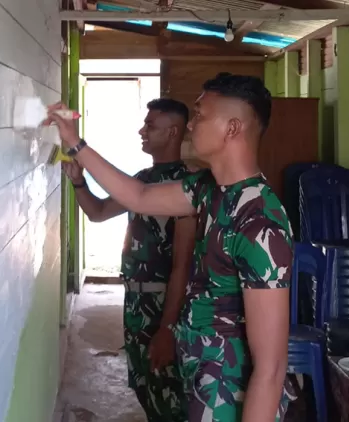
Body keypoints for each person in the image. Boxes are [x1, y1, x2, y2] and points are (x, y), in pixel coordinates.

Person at [46, 73, 295, 422]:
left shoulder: (259, 222)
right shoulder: (209, 189)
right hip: (197, 376)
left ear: (232, 128)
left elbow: (271, 368)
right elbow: (139, 196)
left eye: (201, 115)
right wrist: (75, 144)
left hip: (225, 394)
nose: (191, 125)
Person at [64, 98, 196, 421]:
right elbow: (97, 212)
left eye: (151, 125)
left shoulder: (187, 186)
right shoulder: (144, 179)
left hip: (164, 304)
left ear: (173, 132)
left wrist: (167, 328)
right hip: (136, 302)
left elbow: (183, 265)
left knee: (168, 393)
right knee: (145, 386)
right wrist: (78, 181)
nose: (142, 130)